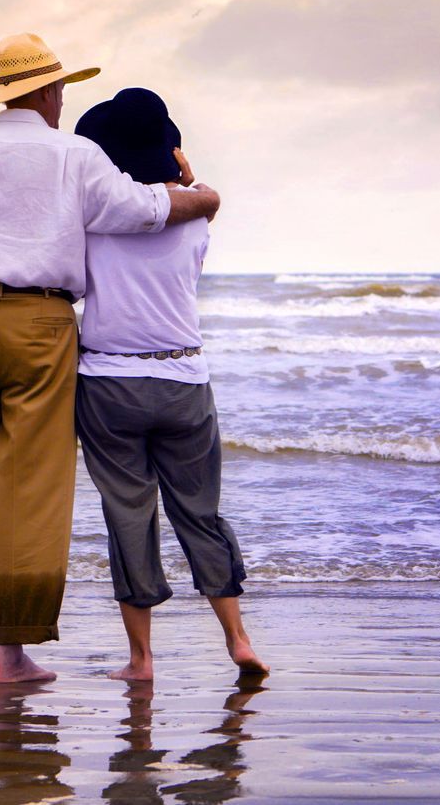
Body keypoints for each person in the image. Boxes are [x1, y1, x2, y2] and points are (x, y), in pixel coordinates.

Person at [0, 34, 221, 684]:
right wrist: (205, 198)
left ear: (3, 93)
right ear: (49, 92)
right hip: (42, 323)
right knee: (31, 488)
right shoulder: (74, 155)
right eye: (61, 91)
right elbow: (145, 208)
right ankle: (11, 654)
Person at [71, 87, 266, 681]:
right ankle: (237, 638)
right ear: (171, 151)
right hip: (184, 377)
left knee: (129, 514)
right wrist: (186, 173)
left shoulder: (91, 220)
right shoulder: (197, 218)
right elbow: (197, 201)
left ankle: (141, 660)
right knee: (199, 512)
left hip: (108, 382)